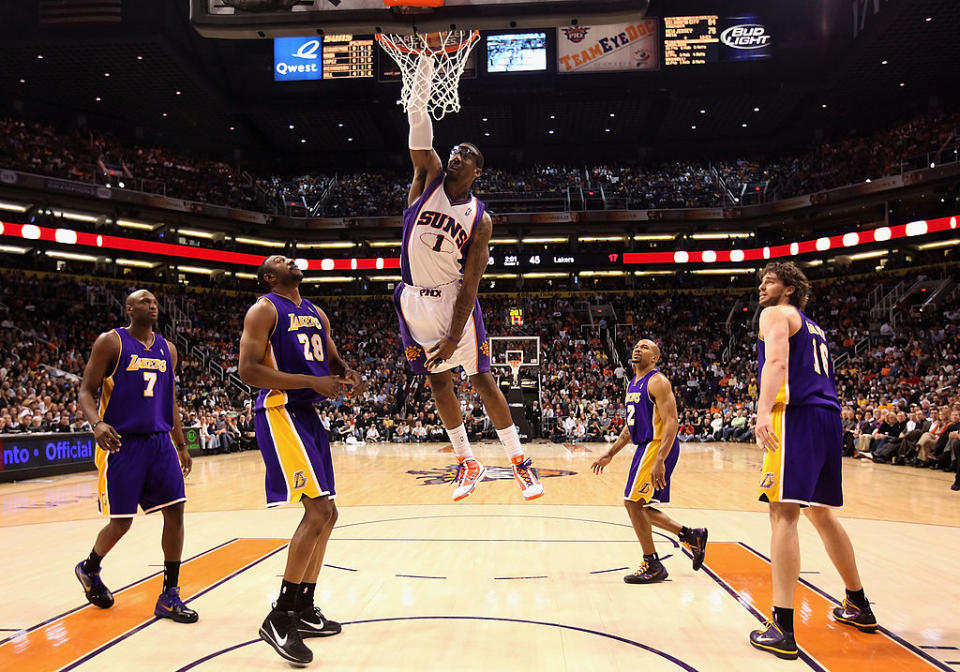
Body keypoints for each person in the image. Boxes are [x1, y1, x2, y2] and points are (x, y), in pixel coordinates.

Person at [392, 40, 542, 502]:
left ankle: (520, 461)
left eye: (466, 155)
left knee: (480, 378)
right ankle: (467, 460)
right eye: (454, 150)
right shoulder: (427, 177)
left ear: (478, 171)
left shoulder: (481, 217)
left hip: (453, 296)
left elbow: (473, 280)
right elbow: (418, 118)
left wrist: (456, 333)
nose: (456, 156)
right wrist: (423, 63)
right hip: (412, 297)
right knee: (437, 379)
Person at [239, 255, 363, 666]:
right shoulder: (264, 309)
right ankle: (280, 615)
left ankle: (305, 607)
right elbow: (249, 370)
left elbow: (329, 358)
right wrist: (313, 381)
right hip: (278, 411)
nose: (290, 259)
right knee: (317, 510)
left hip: (307, 414)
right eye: (279, 259)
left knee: (330, 515)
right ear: (269, 276)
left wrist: (345, 371)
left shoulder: (315, 312)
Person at [751, 262, 877, 660]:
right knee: (821, 513)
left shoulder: (775, 313)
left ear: (789, 289)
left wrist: (761, 412)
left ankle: (782, 626)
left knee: (783, 514)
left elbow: (777, 364)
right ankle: (857, 604)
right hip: (828, 417)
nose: (761, 288)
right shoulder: (813, 326)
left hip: (796, 415)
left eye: (769, 281)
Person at [74, 289, 197, 624]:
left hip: (160, 442)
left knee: (176, 513)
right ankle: (89, 568)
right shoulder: (110, 342)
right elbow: (86, 390)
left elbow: (169, 399)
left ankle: (170, 594)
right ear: (129, 308)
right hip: (122, 443)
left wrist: (182, 444)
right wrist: (96, 423)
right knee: (121, 523)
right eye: (144, 301)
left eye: (156, 301)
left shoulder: (168, 349)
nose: (153, 304)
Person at [591, 339, 708, 584]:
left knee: (632, 503)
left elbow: (672, 422)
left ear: (654, 357)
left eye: (645, 347)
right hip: (645, 446)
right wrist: (610, 453)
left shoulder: (658, 382)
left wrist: (661, 459)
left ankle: (652, 563)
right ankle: (690, 535)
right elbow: (630, 428)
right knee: (639, 506)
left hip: (657, 446)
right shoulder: (633, 384)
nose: (638, 349)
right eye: (636, 346)